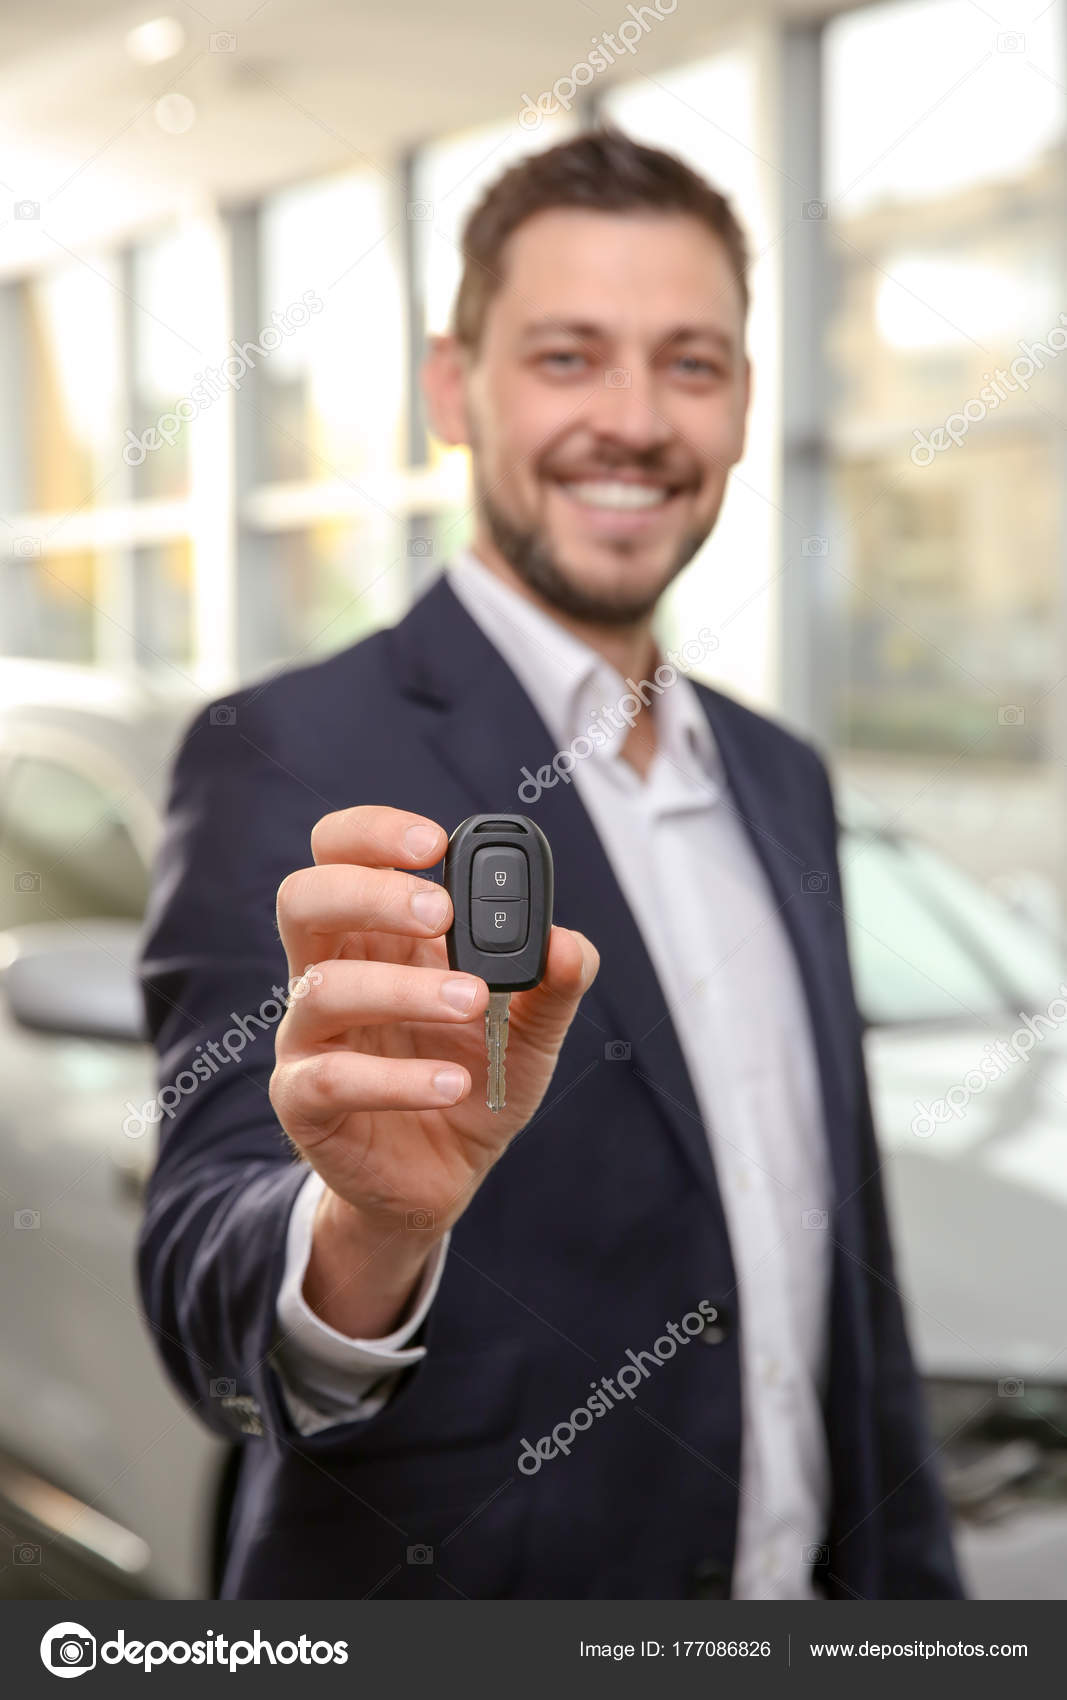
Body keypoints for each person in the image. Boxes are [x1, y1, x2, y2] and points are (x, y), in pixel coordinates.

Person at [137, 126, 966, 1601]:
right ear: (453, 388)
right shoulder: (285, 754)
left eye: (692, 364)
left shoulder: (782, 778)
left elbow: (846, 1292)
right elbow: (210, 1295)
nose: (636, 420)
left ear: (745, 403)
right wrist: (365, 1231)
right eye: (569, 358)